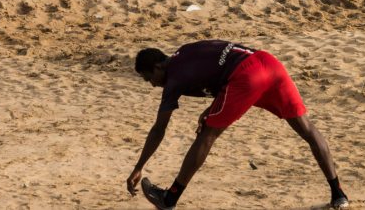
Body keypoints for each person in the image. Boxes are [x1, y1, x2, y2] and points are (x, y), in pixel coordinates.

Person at [128, 41, 350, 210]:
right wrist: (213, 107)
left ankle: (170, 198)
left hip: (247, 75)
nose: (153, 85)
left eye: (149, 78)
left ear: (158, 67)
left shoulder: (174, 80)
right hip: (269, 63)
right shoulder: (185, 52)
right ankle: (338, 193)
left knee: (207, 134)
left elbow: (159, 129)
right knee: (307, 129)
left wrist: (139, 166)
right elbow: (218, 66)